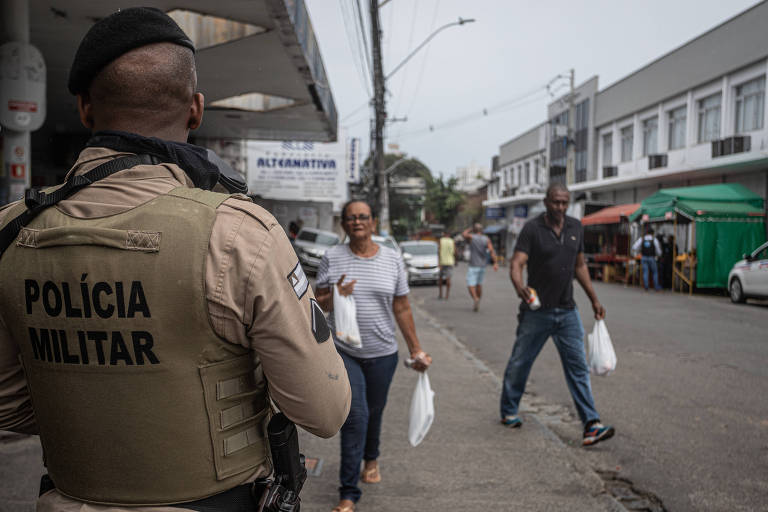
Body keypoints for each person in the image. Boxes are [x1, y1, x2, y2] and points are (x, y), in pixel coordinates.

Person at [0, 8, 350, 511]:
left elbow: (8, 403)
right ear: (196, 109)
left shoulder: (12, 231)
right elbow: (324, 409)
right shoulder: (238, 232)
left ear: (83, 109)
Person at [315, 200, 432, 512]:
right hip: (344, 352)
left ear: (373, 222)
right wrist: (334, 293)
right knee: (356, 417)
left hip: (383, 353)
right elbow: (316, 304)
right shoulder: (332, 257)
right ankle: (348, 493)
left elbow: (402, 307)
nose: (357, 222)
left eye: (363, 217)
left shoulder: (392, 260)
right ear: (343, 224)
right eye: (351, 218)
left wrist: (416, 349)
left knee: (375, 411)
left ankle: (372, 458)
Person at [502, 183, 615, 447]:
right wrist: (520, 287)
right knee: (520, 362)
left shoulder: (576, 227)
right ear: (546, 202)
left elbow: (580, 266)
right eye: (555, 202)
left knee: (578, 368)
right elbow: (517, 263)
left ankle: (591, 425)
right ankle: (509, 410)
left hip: (567, 311)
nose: (560, 208)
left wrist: (594, 300)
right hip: (536, 311)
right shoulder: (532, 228)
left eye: (564, 203)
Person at [462, 223, 498, 311]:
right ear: (482, 231)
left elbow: (464, 234)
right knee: (479, 284)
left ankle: (475, 298)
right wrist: (495, 263)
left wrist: (470, 228)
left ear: (475, 230)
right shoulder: (486, 239)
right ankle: (478, 298)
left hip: (473, 265)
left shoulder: (472, 237)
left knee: (470, 284)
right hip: (482, 265)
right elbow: (491, 250)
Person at [632, 227, 662, 291]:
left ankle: (646, 286)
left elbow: (634, 247)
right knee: (655, 272)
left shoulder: (642, 239)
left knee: (645, 272)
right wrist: (659, 255)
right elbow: (658, 251)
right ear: (653, 233)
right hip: (652, 257)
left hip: (644, 257)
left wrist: (639, 251)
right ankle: (656, 287)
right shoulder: (654, 239)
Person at [438, 230, 456, 299]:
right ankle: (447, 295)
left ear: (444, 234)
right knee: (448, 279)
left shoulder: (441, 240)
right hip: (450, 262)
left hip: (442, 262)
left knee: (440, 279)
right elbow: (454, 251)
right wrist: (456, 260)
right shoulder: (452, 241)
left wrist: (439, 262)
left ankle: (440, 294)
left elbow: (439, 251)